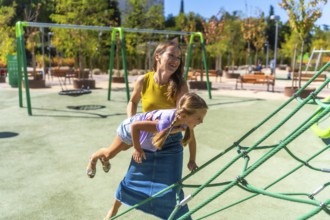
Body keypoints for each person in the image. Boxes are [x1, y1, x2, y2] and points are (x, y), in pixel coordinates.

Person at [103, 39, 198, 219]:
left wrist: (192, 156)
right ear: (157, 57)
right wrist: (132, 121)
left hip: (170, 143)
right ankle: (112, 212)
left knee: (172, 188)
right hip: (147, 139)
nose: (176, 60)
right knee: (131, 179)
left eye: (179, 57)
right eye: (171, 55)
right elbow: (133, 101)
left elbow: (180, 119)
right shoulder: (144, 80)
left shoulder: (180, 85)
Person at [87, 93, 208, 219]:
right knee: (109, 153)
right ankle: (94, 158)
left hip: (144, 135)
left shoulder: (184, 122)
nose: (202, 121)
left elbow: (191, 141)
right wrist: (137, 149)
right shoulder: (165, 122)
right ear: (184, 115)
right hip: (130, 129)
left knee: (121, 150)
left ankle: (104, 159)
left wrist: (192, 160)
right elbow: (135, 127)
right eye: (199, 118)